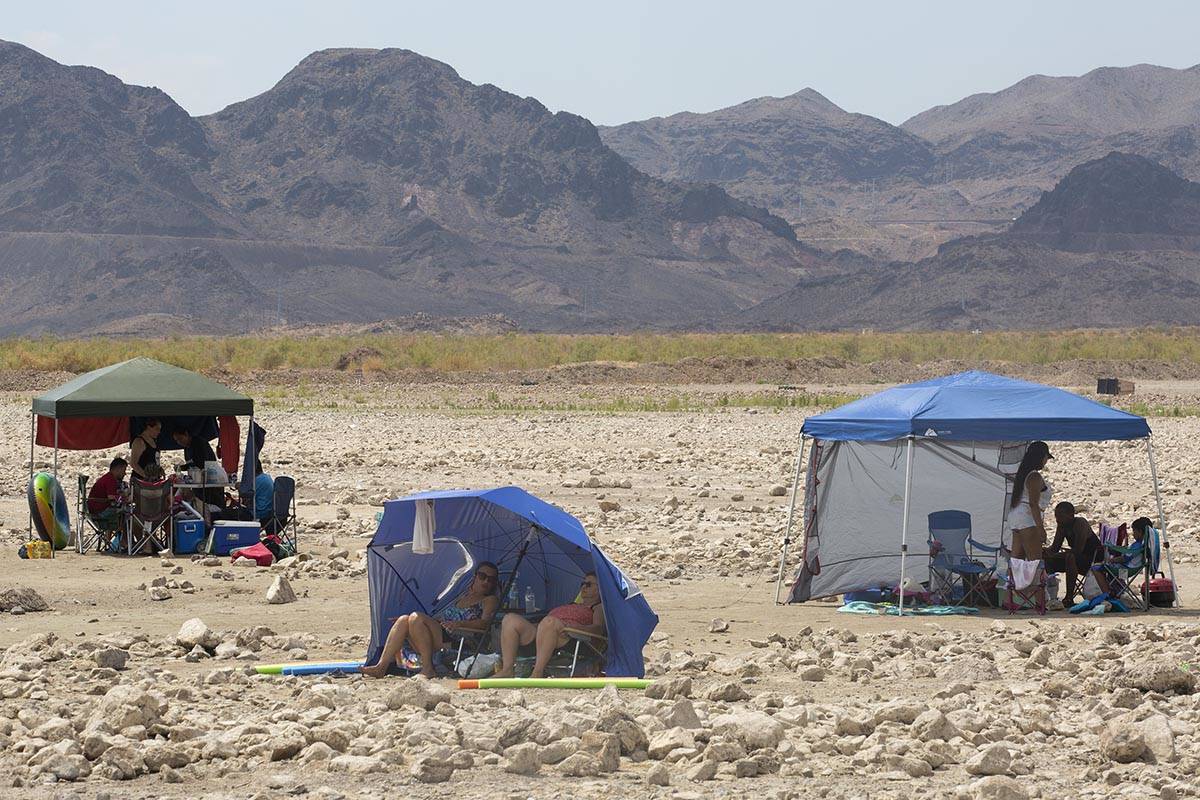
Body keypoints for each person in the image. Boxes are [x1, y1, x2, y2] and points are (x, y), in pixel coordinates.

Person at [361, 562, 501, 679]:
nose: (486, 581)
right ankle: (381, 666)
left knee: (416, 617)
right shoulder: (462, 596)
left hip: (458, 638)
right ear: (475, 577)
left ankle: (428, 668)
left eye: (491, 579)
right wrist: (415, 622)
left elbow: (485, 624)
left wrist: (459, 623)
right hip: (441, 633)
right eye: (482, 576)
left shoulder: (489, 600)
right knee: (404, 620)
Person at [494, 572, 606, 679]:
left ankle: (537, 673)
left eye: (589, 584)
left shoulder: (598, 607)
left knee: (549, 622)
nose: (583, 587)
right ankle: (507, 670)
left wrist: (574, 628)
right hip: (544, 632)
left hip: (569, 638)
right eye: (582, 584)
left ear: (600, 589)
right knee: (510, 619)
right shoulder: (573, 604)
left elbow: (598, 628)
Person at [1043, 501, 1109, 605]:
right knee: (1047, 560)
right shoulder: (1062, 526)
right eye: (1056, 516)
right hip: (1077, 559)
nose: (1057, 519)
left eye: (1060, 516)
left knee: (1070, 557)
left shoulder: (1080, 523)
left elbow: (1078, 550)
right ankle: (1052, 597)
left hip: (1093, 560)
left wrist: (1055, 554)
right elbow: (1055, 548)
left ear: (1071, 515)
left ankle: (1069, 597)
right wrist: (1045, 552)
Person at [1008, 441, 1053, 560]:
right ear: (1041, 457)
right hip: (1027, 517)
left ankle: (1012, 578)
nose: (1046, 461)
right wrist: (1040, 528)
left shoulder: (1023, 474)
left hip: (1016, 516)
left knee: (1017, 561)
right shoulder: (1034, 476)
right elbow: (1033, 504)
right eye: (1046, 457)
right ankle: (1034, 579)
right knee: (1034, 561)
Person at [86, 457, 128, 533]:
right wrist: (125, 498)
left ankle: (112, 540)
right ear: (118, 469)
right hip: (100, 512)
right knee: (129, 515)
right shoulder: (110, 480)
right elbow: (111, 498)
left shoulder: (107, 477)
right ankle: (125, 540)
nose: (125, 473)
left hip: (94, 511)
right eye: (124, 470)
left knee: (124, 514)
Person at [254, 460, 275, 525]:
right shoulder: (267, 477)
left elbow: (247, 496)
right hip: (270, 511)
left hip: (261, 513)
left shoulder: (256, 481)